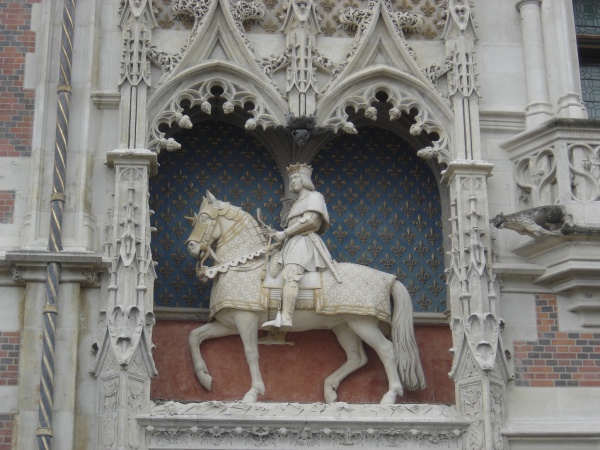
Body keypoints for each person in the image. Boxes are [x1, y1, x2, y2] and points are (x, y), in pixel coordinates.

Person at [262, 163, 338, 328]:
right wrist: (277, 234)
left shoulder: (315, 197)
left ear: (304, 179)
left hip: (304, 243)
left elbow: (311, 221)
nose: (292, 182)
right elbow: (293, 227)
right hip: (291, 243)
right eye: (291, 179)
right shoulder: (297, 203)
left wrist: (286, 233)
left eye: (295, 178)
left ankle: (286, 318)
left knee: (290, 273)